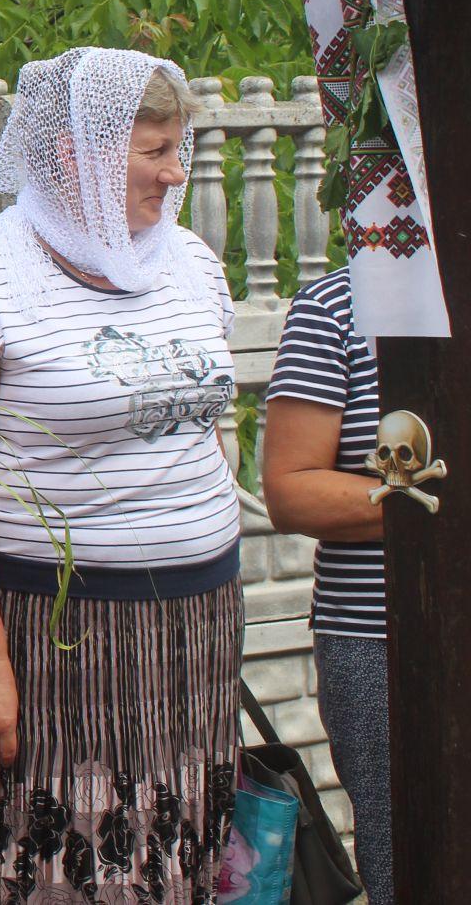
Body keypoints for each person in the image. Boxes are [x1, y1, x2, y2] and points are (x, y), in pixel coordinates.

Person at [0, 48, 242, 903]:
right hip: (62, 640)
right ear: (77, 155)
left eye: (180, 148)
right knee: (66, 860)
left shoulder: (193, 263)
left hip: (197, 627)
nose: (177, 173)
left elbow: (208, 425)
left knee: (180, 849)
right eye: (155, 150)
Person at [263, 266, 392, 902]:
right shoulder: (339, 305)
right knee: (409, 849)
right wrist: (436, 505)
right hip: (383, 642)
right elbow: (293, 491)